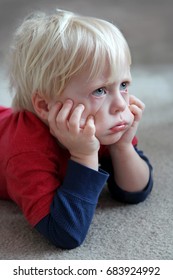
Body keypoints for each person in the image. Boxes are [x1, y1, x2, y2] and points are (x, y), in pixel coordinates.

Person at [0, 9, 153, 249]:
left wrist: (122, 146)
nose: (121, 104)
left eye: (123, 85)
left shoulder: (103, 124)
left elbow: (134, 192)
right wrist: (85, 155)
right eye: (100, 90)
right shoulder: (25, 150)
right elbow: (64, 232)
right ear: (44, 105)